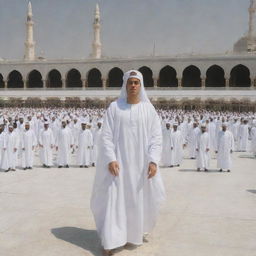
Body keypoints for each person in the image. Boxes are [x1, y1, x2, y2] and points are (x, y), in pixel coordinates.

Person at [90, 70, 165, 255]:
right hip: (119, 166)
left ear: (141, 86)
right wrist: (111, 158)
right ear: (125, 85)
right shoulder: (115, 108)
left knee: (136, 201)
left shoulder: (148, 110)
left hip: (140, 166)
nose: (133, 85)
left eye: (136, 83)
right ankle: (111, 240)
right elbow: (106, 136)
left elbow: (156, 137)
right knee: (115, 200)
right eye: (130, 82)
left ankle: (133, 234)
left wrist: (153, 161)